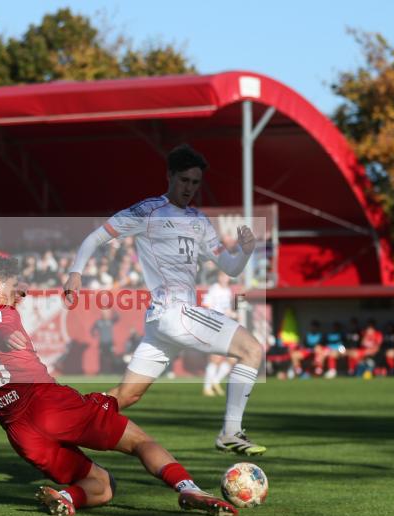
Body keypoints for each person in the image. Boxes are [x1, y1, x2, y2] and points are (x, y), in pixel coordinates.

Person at [0, 255, 238, 516]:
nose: (22, 292)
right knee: (140, 441)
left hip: (19, 430)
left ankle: (67, 497)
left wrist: (4, 336)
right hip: (48, 405)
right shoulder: (1, 315)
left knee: (103, 485)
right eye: (14, 286)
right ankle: (188, 488)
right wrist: (8, 336)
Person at [64, 145, 266, 456]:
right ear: (169, 175)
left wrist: (246, 251)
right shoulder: (148, 212)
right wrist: (76, 273)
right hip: (176, 313)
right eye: (184, 180)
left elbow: (230, 268)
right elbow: (96, 237)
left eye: (196, 183)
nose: (190, 189)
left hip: (162, 324)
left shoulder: (198, 220)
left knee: (127, 395)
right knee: (252, 349)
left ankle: (68, 423)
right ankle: (230, 431)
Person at [202, 270, 236, 396]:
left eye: (227, 276)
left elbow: (227, 308)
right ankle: (207, 387)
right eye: (223, 276)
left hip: (225, 327)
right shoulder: (214, 289)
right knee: (215, 358)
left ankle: (215, 381)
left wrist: (232, 313)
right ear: (219, 277)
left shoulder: (228, 291)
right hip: (214, 327)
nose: (225, 278)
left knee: (233, 358)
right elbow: (206, 305)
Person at [90, 309, 120, 375]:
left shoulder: (110, 321)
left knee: (111, 357)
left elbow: (117, 318)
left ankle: (113, 371)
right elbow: (92, 329)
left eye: (106, 314)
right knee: (102, 358)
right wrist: (93, 334)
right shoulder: (98, 322)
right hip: (102, 343)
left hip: (110, 343)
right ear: (102, 314)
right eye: (103, 314)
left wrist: (115, 311)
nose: (105, 315)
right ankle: (102, 371)